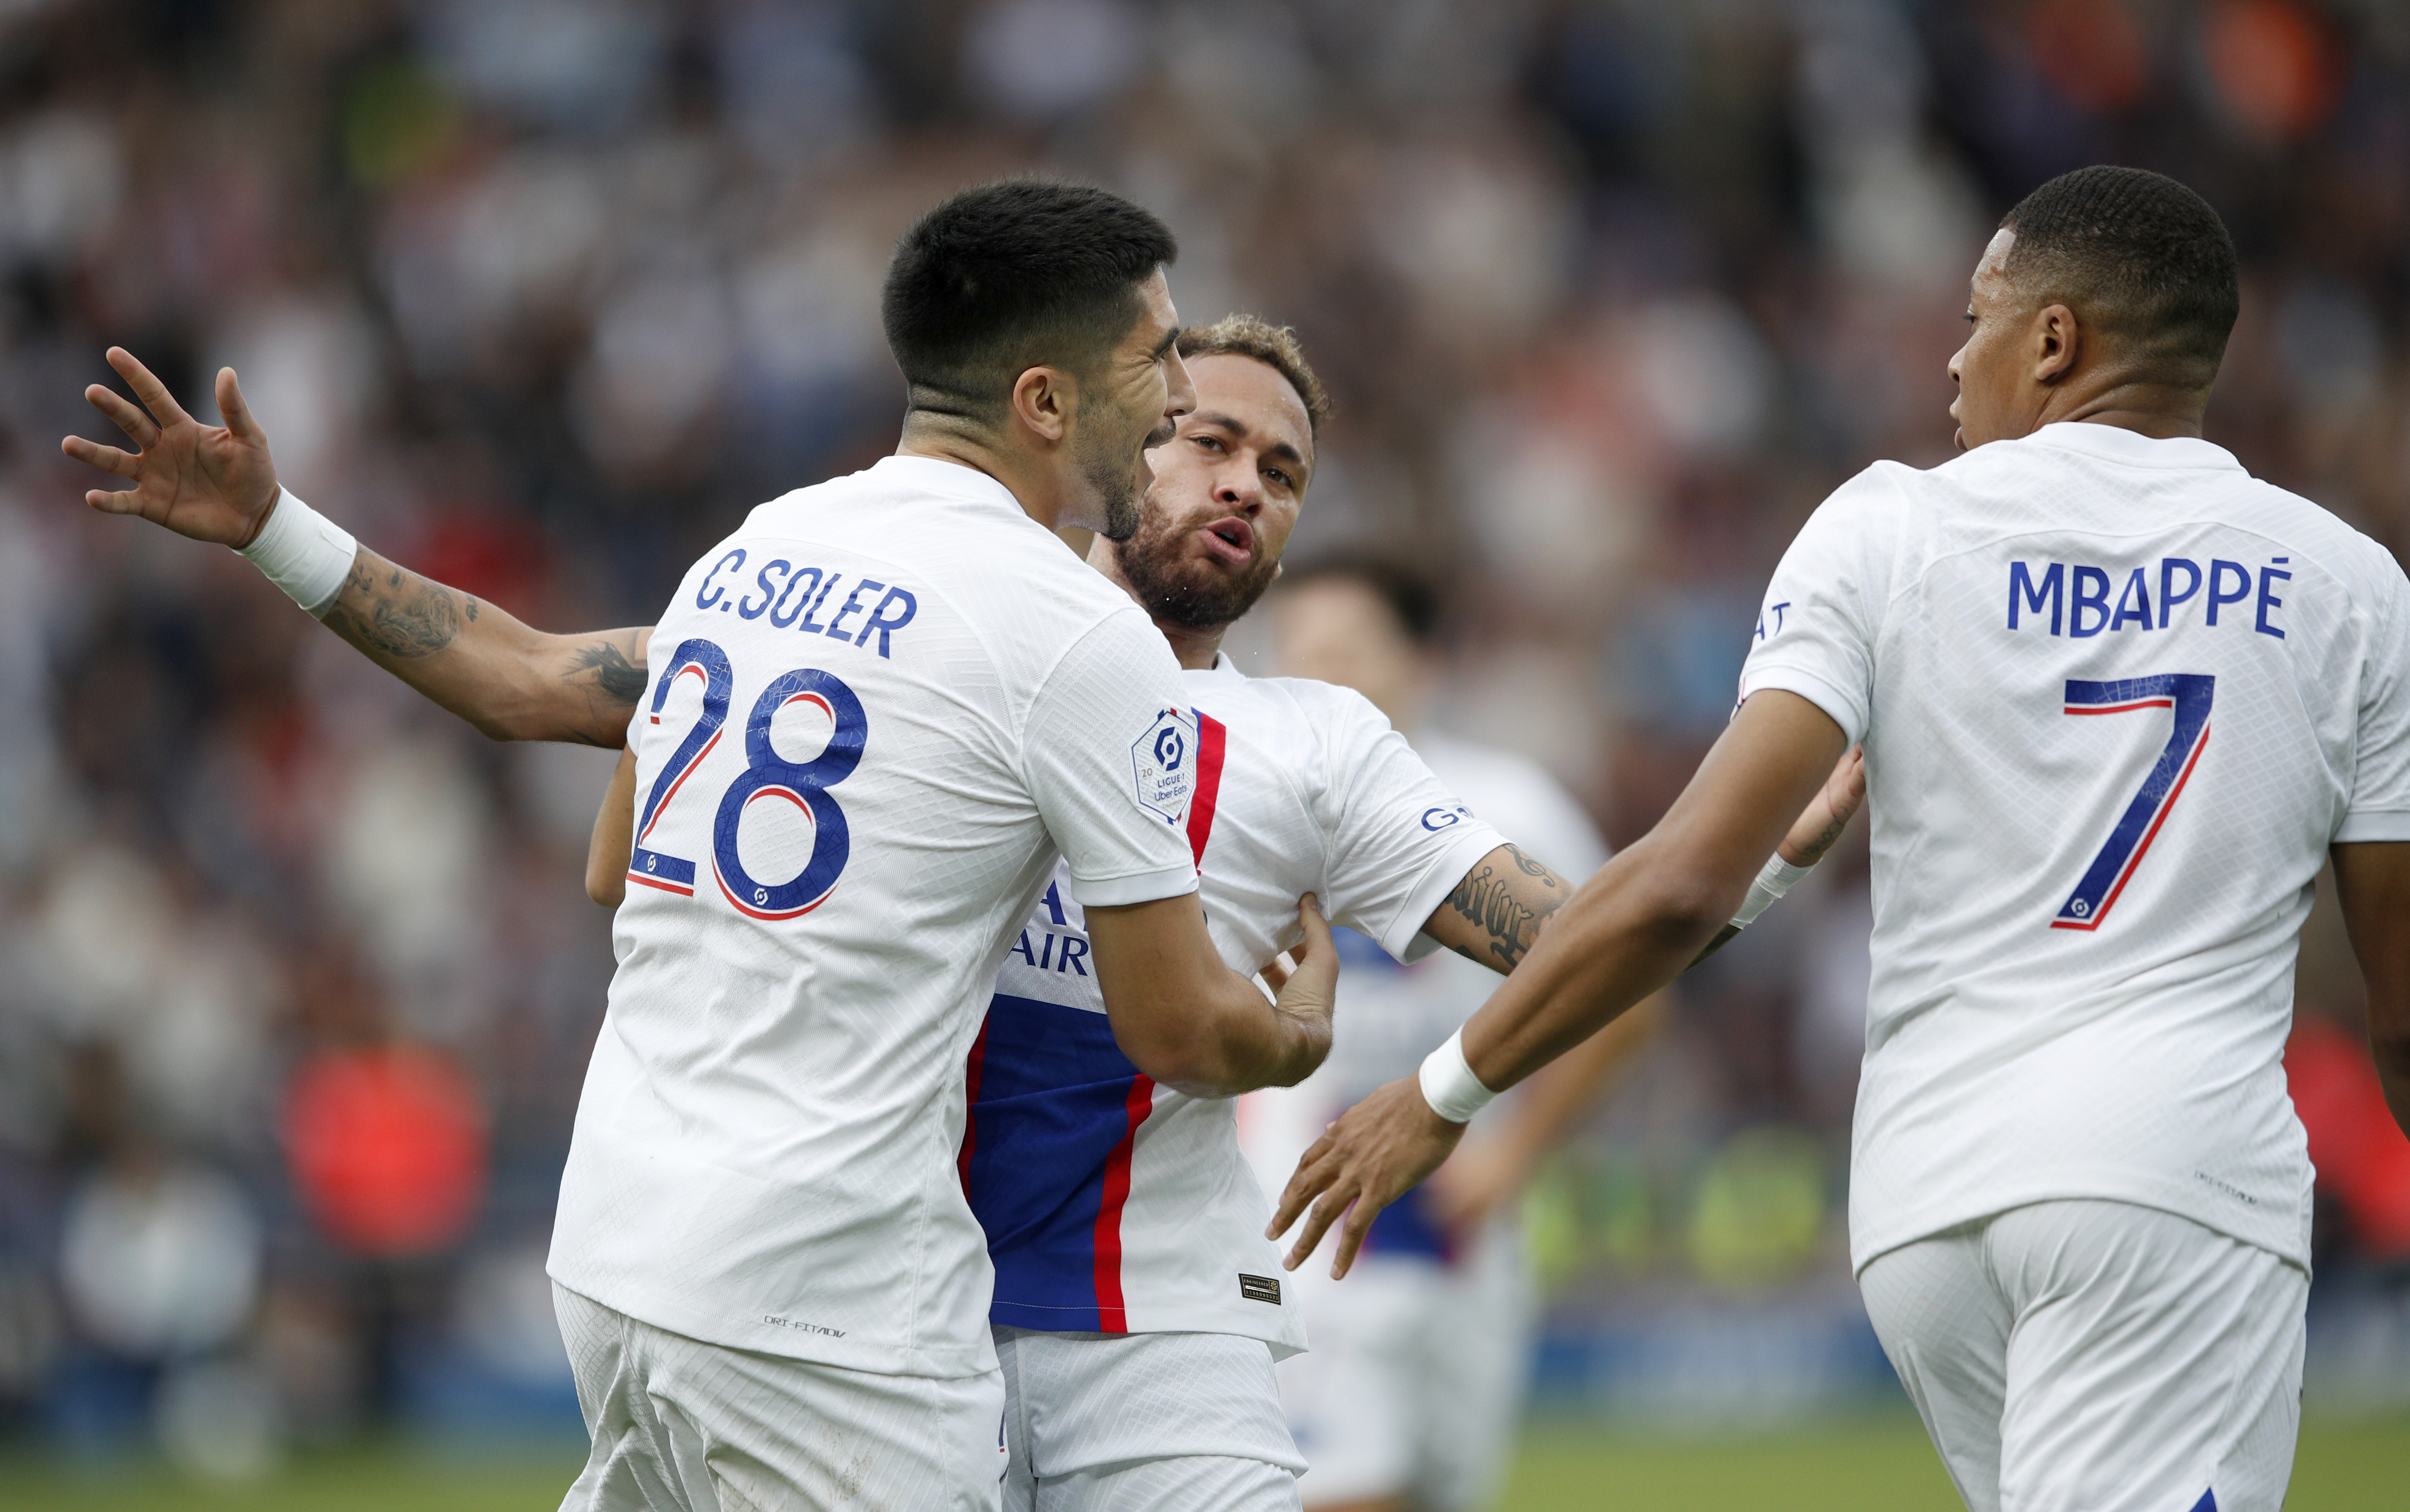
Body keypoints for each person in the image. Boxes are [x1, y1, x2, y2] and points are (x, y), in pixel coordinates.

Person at [63, 180, 1342, 1512]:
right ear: (1044, 399)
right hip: (830, 1298)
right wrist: (1297, 1025)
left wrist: (276, 526)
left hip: (623, 1246)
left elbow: (527, 694)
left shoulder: (760, 549)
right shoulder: (1081, 641)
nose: (1178, 383)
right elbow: (1180, 1030)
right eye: (1153, 353)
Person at [1270, 165, 2410, 1512]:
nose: (1948, 352)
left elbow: (1681, 877)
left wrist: (1442, 1086)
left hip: (1927, 1200)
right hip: (2165, 1175)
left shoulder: (1884, 524)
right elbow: (2396, 979)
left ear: (2052, 341)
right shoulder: (2346, 582)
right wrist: (1443, 1097)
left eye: (1976, 315)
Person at [578, 312, 1854, 1512]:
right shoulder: (939, 635)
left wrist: (1756, 864)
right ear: (1118, 444)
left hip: (1159, 1335)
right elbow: (629, 844)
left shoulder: (1316, 749)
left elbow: (1573, 937)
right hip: (875, 1310)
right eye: (1212, 443)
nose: (1249, 484)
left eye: (1284, 471)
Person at [1243, 556, 1612, 1512]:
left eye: (1346, 650)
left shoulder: (1511, 809)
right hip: (1311, 1223)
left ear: (1425, 661)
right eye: (1298, 652)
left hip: (1464, 1235)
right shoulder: (1247, 809)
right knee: (1348, 1489)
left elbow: (1628, 993)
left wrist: (1516, 1154)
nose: (1317, 675)